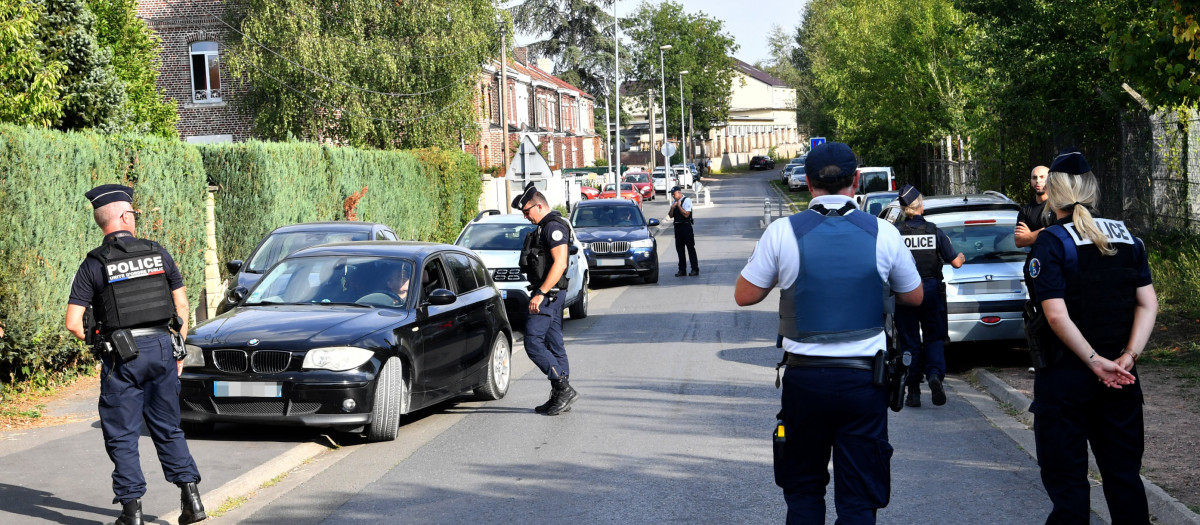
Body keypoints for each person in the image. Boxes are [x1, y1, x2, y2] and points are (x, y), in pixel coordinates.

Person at [735, 142, 924, 524]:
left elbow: (745, 295)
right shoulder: (883, 233)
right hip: (863, 381)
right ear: (855, 180)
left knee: (804, 490)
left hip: (805, 380)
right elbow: (914, 296)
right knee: (859, 498)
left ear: (807, 182)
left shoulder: (782, 232)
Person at [1024, 148, 1157, 524]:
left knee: (1068, 487)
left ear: (1053, 192)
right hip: (1122, 379)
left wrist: (1094, 362)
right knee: (1124, 479)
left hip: (1067, 380)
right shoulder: (1128, 236)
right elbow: (1148, 304)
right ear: (1092, 188)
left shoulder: (1051, 241)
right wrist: (1127, 357)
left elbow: (1055, 313)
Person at [63, 184, 207, 525]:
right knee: (168, 428)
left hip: (122, 356)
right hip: (162, 348)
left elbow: (72, 323)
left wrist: (101, 343)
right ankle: (192, 501)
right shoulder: (158, 254)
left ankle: (132, 513)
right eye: (134, 214)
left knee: (122, 434)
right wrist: (179, 347)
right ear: (125, 216)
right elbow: (182, 305)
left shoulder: (94, 264)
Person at [893, 184, 966, 408]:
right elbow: (955, 262)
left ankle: (913, 390)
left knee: (909, 340)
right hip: (931, 290)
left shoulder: (896, 233)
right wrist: (961, 255)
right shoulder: (935, 231)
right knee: (933, 336)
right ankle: (934, 375)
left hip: (904, 292)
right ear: (920, 206)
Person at [513, 182, 579, 416]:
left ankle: (563, 388)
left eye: (527, 211)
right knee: (554, 343)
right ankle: (560, 394)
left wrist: (541, 293)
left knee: (532, 342)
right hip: (550, 294)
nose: (526, 216)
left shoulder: (553, 227)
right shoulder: (544, 227)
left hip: (548, 294)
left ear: (539, 206)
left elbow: (560, 263)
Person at [1015, 165, 1053, 248]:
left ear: (1050, 180)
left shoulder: (1057, 206)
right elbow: (1019, 241)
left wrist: (1029, 235)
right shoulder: (1025, 210)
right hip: (1036, 259)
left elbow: (1058, 232)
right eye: (1034, 178)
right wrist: (1047, 230)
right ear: (1031, 181)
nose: (1038, 181)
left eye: (1042, 177)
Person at [669, 186, 699, 276]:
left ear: (678, 193)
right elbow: (670, 215)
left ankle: (694, 268)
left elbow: (686, 214)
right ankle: (682, 269)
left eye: (673, 194)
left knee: (690, 248)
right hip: (677, 227)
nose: (672, 196)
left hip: (686, 226)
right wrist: (672, 207)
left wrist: (679, 206)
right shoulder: (674, 202)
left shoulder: (686, 200)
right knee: (680, 249)